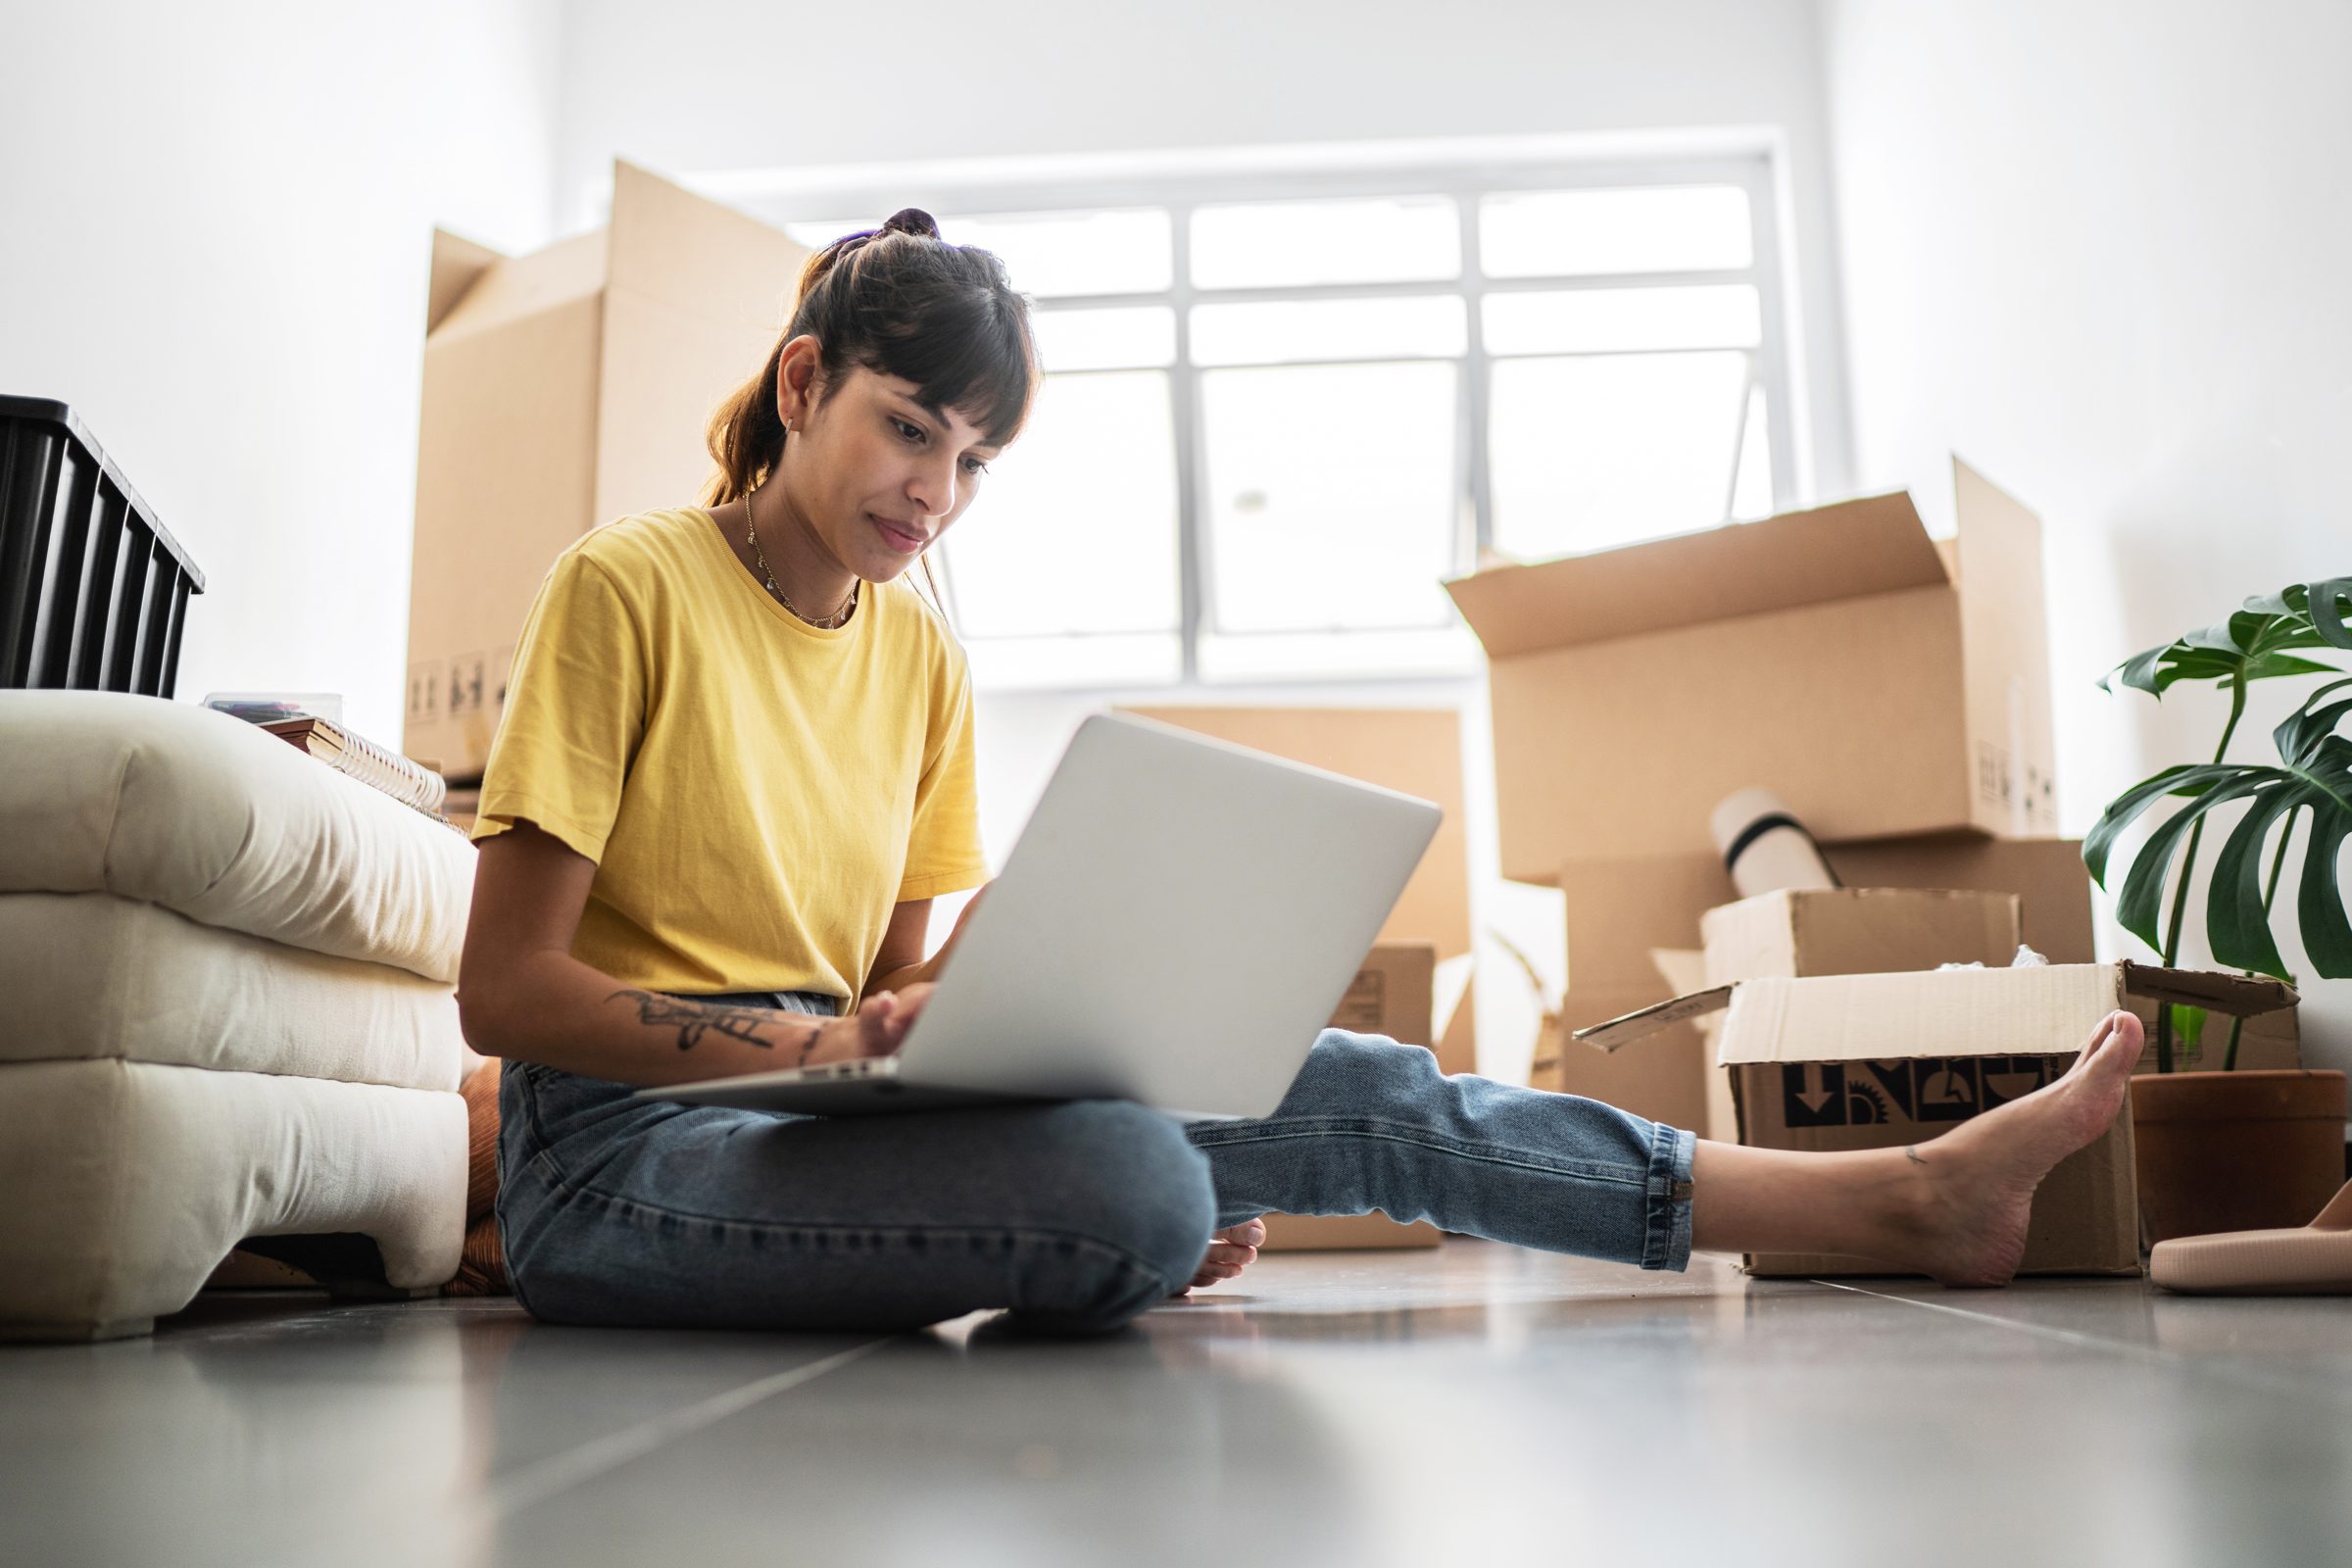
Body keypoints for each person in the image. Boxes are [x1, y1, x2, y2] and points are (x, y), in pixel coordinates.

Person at [456, 209, 2145, 1336]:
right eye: (911, 430)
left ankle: (1905, 1201)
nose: (937, 495)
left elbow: (896, 997)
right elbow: (506, 992)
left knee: (1362, 1084)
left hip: (822, 1116)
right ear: (808, 384)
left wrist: (992, 1005)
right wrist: (834, 1043)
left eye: (974, 463)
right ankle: (1089, 1224)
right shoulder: (627, 586)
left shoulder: (922, 660)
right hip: (616, 1155)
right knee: (1129, 1184)